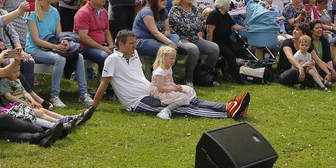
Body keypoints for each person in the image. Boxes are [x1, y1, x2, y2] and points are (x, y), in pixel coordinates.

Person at [90, 30, 249, 119]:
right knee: (182, 108)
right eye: (131, 43)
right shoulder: (112, 59)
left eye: (135, 43)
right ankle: (228, 114)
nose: (135, 46)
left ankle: (228, 106)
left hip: (151, 92)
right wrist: (92, 107)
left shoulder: (134, 54)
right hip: (137, 101)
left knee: (190, 98)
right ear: (120, 44)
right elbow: (103, 84)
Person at [24, 0, 92, 109]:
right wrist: (56, 47)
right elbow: (36, 40)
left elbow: (59, 34)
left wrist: (64, 41)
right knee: (59, 59)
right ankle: (54, 96)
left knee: (78, 56)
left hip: (51, 45)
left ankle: (83, 94)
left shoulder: (54, 11)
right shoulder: (33, 13)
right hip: (35, 49)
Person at [148, 45, 205, 119]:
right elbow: (160, 88)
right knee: (183, 97)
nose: (173, 61)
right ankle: (166, 110)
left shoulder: (169, 68)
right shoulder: (160, 71)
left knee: (189, 89)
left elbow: (171, 81)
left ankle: (191, 103)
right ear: (163, 58)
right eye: (171, 58)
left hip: (168, 87)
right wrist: (174, 89)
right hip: (160, 91)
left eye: (174, 59)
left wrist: (176, 86)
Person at [203, 0, 244, 83]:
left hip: (226, 40)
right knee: (230, 55)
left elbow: (235, 26)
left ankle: (230, 71)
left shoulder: (226, 15)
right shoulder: (214, 15)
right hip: (217, 41)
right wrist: (211, 45)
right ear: (224, 4)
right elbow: (210, 31)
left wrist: (246, 28)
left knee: (240, 50)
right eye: (229, 4)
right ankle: (237, 77)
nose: (230, 6)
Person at [75, 0, 114, 71]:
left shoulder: (104, 12)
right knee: (104, 56)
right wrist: (103, 48)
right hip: (85, 47)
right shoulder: (83, 13)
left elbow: (106, 30)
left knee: (122, 53)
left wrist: (111, 45)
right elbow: (84, 37)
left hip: (102, 45)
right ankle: (105, 80)